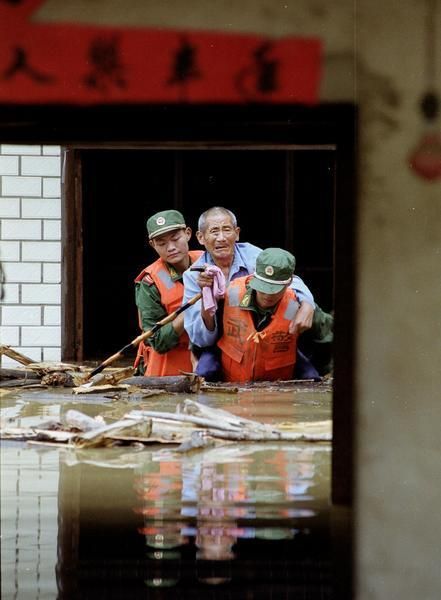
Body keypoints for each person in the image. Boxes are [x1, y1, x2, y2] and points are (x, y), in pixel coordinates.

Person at [182, 207, 320, 380]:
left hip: (265, 333)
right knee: (204, 374)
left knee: (310, 376)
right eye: (214, 231)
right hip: (222, 339)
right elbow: (202, 340)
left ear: (237, 233)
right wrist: (207, 300)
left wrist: (308, 304)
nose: (221, 238)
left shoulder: (254, 256)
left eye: (227, 229)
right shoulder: (194, 275)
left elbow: (287, 277)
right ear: (201, 238)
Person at [134, 209, 203, 376]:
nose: (171, 247)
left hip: (207, 361)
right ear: (153, 245)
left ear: (187, 234)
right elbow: (156, 341)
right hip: (168, 370)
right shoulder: (149, 282)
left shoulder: (207, 262)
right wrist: (192, 310)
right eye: (162, 243)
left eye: (175, 238)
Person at [218, 247, 300, 382]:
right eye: (263, 287)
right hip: (232, 384)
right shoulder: (232, 293)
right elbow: (209, 330)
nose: (267, 295)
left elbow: (325, 333)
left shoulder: (295, 304)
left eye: (274, 290)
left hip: (276, 391)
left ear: (289, 282)